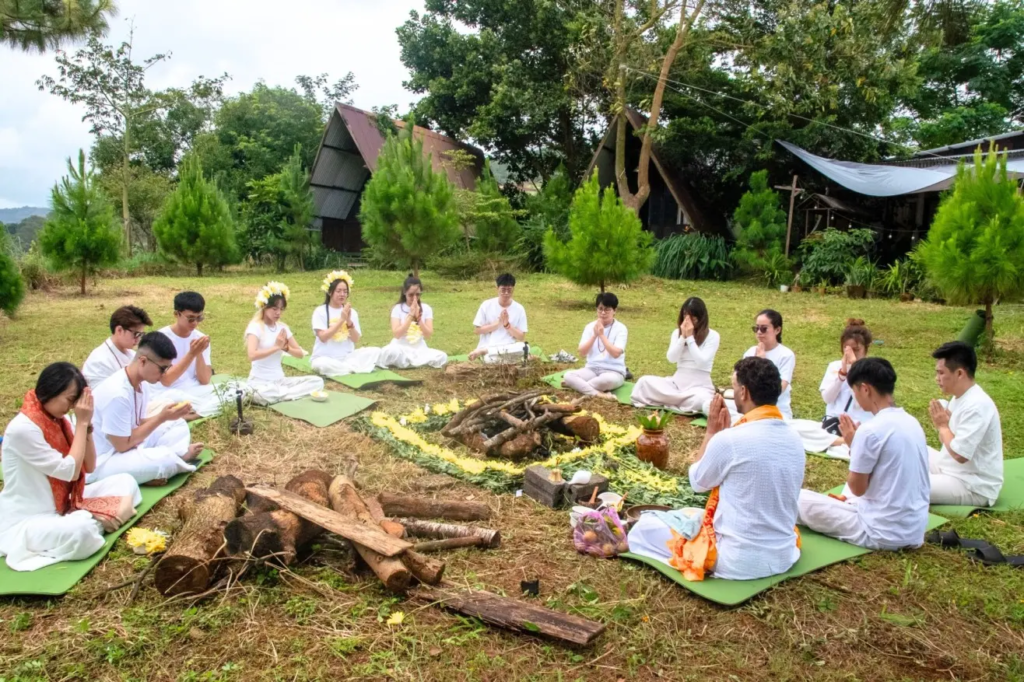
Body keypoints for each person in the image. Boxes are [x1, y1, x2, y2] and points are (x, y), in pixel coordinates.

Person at [0, 363, 141, 571]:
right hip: (28, 520)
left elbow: (89, 465)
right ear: (49, 392)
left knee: (126, 482)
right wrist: (81, 423)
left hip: (66, 505)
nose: (73, 407)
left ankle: (97, 517)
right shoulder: (23, 429)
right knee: (82, 532)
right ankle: (98, 517)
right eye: (70, 399)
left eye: (76, 401)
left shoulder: (60, 420)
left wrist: (87, 426)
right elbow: (70, 471)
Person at [687, 357, 805, 580]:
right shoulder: (795, 438)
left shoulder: (730, 439)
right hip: (785, 555)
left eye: (733, 388)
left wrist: (712, 434)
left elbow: (697, 482)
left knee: (651, 527)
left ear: (743, 392)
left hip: (737, 561)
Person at [796, 357, 930, 550]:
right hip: (914, 530)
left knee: (797, 498)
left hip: (879, 531)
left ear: (865, 389)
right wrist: (854, 445)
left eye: (855, 390)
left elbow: (858, 488)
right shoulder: (912, 422)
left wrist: (855, 444)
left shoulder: (871, 430)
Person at [91, 332, 204, 485]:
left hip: (128, 444)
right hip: (105, 459)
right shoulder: (118, 394)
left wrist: (169, 416)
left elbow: (136, 423)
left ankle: (166, 462)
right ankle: (172, 461)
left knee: (177, 424)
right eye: (162, 369)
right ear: (143, 361)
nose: (164, 374)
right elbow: (122, 445)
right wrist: (160, 417)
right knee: (163, 459)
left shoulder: (142, 383)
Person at [926, 341, 1003, 507]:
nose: (937, 378)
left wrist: (943, 426)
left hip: (972, 485)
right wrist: (944, 425)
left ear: (959, 373)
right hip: (949, 469)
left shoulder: (977, 405)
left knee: (908, 487)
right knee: (911, 448)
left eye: (941, 373)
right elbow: (950, 441)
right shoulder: (960, 396)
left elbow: (960, 455)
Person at [787, 319, 875, 457]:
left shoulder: (873, 369)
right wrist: (841, 376)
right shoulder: (834, 366)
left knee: (868, 438)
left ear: (866, 349)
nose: (852, 354)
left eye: (857, 349)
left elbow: (862, 404)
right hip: (833, 425)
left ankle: (847, 441)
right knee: (792, 427)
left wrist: (854, 372)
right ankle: (842, 441)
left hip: (860, 425)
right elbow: (827, 398)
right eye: (848, 349)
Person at [631, 297, 720, 413]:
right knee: (644, 382)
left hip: (699, 387)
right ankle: (675, 400)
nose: (688, 320)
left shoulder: (713, 336)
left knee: (700, 400)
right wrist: (683, 337)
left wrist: (690, 338)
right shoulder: (676, 333)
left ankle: (672, 401)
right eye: (685, 315)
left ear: (701, 317)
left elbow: (701, 362)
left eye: (692, 316)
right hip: (676, 384)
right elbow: (671, 358)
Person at [151, 291, 233, 417]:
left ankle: (194, 413)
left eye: (199, 318)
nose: (195, 323)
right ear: (176, 314)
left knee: (235, 390)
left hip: (193, 390)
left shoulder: (200, 338)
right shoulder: (160, 338)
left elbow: (205, 380)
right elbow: (167, 380)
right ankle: (204, 409)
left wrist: (198, 353)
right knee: (175, 397)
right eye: (190, 318)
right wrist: (191, 354)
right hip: (168, 392)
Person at [245, 281, 324, 405]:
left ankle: (283, 394)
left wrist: (286, 348)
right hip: (260, 382)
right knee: (262, 394)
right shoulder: (255, 327)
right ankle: (285, 394)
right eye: (274, 308)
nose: (278, 313)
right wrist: (276, 347)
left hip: (280, 381)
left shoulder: (283, 328)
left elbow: (300, 354)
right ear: (265, 307)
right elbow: (252, 355)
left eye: (281, 309)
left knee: (317, 381)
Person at [310, 270, 382, 376]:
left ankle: (346, 368)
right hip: (325, 358)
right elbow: (323, 337)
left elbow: (356, 339)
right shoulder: (320, 311)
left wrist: (348, 321)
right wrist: (341, 320)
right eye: (338, 291)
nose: (342, 294)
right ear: (330, 292)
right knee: (320, 364)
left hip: (347, 358)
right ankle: (352, 369)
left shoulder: (352, 312)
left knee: (375, 351)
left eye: (345, 291)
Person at [562, 292, 628, 400]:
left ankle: (579, 386)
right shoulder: (589, 327)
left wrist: (601, 335)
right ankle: (599, 394)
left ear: (614, 311)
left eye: (607, 309)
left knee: (606, 381)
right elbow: (582, 352)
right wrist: (594, 335)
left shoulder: (621, 328)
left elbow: (616, 353)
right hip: (592, 370)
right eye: (600, 309)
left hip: (613, 371)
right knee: (568, 375)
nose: (603, 313)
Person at [377, 274, 448, 370]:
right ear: (404, 292)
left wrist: (418, 318)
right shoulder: (398, 308)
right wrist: (410, 316)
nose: (414, 298)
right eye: (411, 295)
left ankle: (407, 363)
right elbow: (397, 334)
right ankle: (410, 362)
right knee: (389, 352)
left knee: (442, 356)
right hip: (400, 347)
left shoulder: (426, 308)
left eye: (417, 294)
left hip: (420, 349)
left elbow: (428, 334)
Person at [741, 309, 796, 419]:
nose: (759, 332)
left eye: (764, 328)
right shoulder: (750, 352)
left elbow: (779, 389)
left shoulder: (786, 355)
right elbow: (741, 383)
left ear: (777, 330)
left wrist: (762, 363)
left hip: (775, 410)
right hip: (751, 408)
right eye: (756, 328)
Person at [82, 305, 152, 387]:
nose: (138, 339)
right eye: (136, 334)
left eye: (141, 334)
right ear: (119, 330)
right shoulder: (99, 362)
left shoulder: (131, 354)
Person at [469, 273, 528, 363]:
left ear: (513, 289)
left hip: (508, 347)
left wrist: (507, 325)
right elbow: (477, 330)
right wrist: (498, 323)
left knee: (525, 347)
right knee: (490, 360)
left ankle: (488, 353)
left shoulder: (519, 308)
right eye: (503, 290)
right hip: (488, 345)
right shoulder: (486, 305)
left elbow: (521, 337)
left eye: (509, 290)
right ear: (497, 288)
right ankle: (485, 351)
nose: (506, 293)